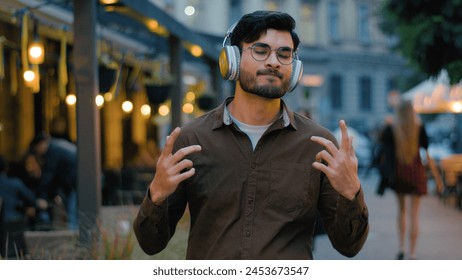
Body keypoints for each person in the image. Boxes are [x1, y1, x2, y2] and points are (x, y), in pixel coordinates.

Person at [133, 10, 369, 259]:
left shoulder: (318, 145)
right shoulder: (192, 141)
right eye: (260, 50)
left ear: (295, 67)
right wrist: (156, 194)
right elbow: (151, 244)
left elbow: (349, 246)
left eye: (284, 54)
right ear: (232, 59)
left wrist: (351, 192)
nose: (274, 62)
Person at [379, 99, 431, 260]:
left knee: (401, 211)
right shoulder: (419, 128)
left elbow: (382, 145)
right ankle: (412, 252)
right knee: (414, 215)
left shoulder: (392, 129)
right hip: (417, 172)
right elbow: (426, 149)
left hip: (400, 173)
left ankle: (401, 246)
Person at [0, 155, 47, 258]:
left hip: (2, 224)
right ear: (6, 168)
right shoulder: (15, 183)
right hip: (15, 222)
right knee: (16, 252)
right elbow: (32, 200)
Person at [29, 133, 78, 230]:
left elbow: (49, 174)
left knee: (73, 213)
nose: (38, 153)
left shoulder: (52, 149)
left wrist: (42, 196)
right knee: (74, 211)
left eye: (36, 150)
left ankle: (76, 239)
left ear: (40, 144)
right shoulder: (58, 145)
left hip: (79, 181)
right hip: (79, 180)